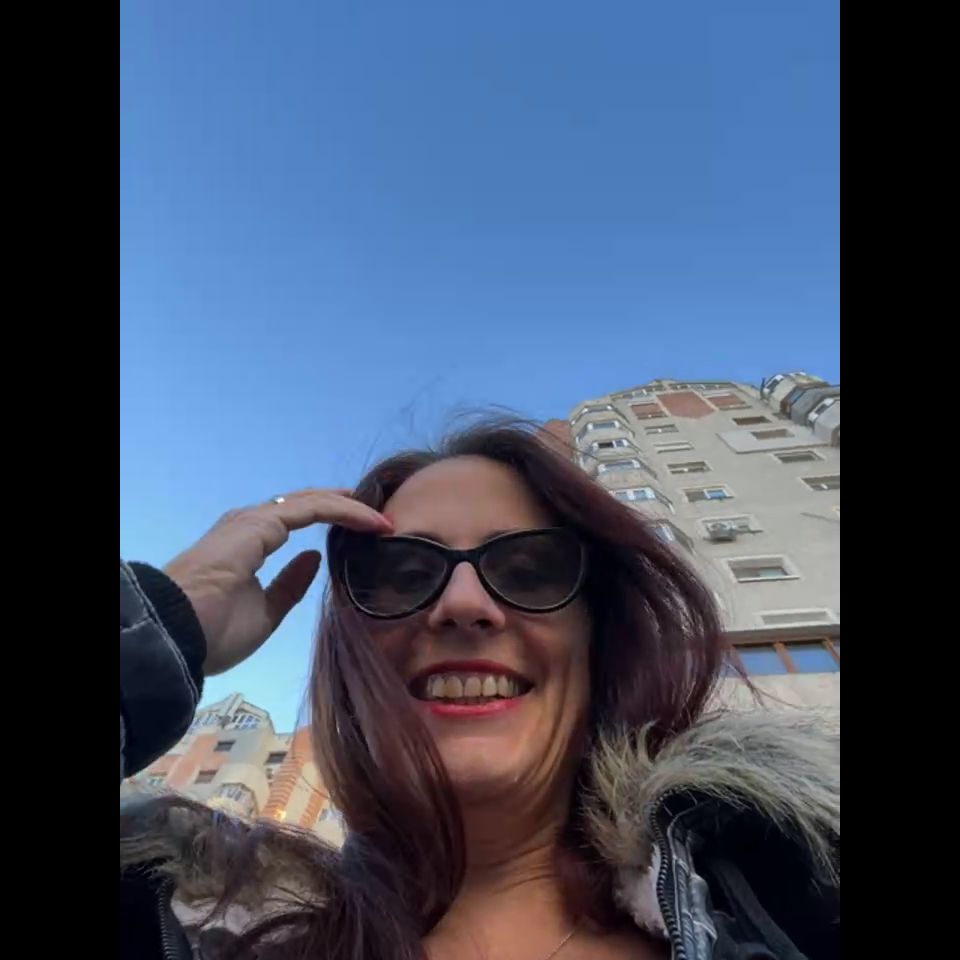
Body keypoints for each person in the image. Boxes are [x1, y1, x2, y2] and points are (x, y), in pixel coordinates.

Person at [120, 422, 839, 960]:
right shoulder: (178, 925)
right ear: (352, 657)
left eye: (529, 570)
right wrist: (166, 623)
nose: (464, 603)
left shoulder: (801, 898)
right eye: (403, 574)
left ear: (598, 640)